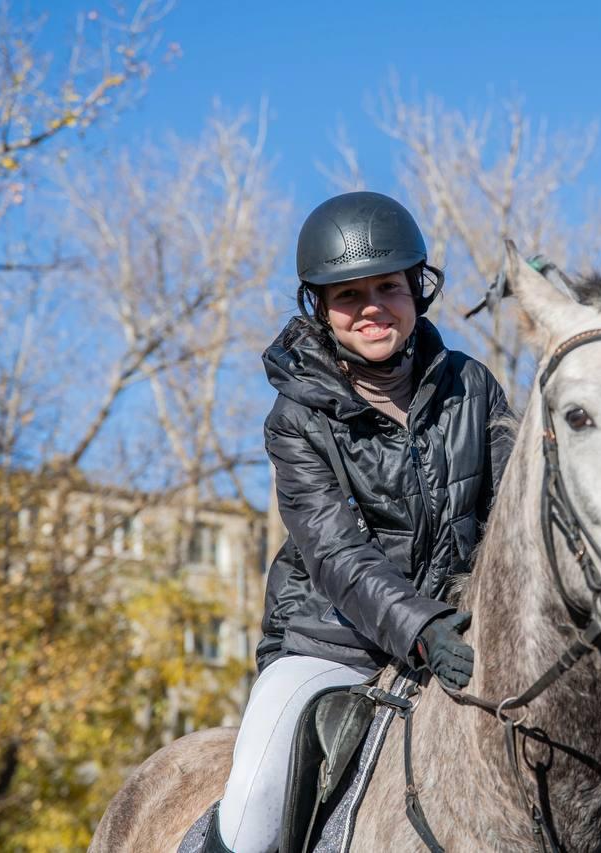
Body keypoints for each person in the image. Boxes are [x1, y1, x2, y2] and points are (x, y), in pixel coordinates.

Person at [202, 191, 514, 852]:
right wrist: (422, 628)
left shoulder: (475, 388)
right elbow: (337, 553)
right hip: (331, 648)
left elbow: (512, 520)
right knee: (255, 793)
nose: (372, 307)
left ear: (417, 290)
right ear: (319, 307)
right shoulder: (296, 419)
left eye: (388, 287)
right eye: (348, 295)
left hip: (461, 642)